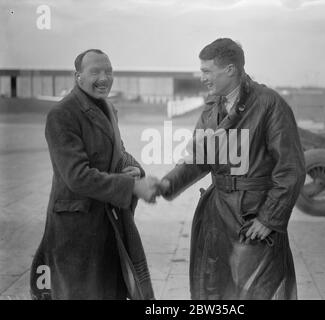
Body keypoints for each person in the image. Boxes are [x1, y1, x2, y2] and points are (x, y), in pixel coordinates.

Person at [158, 38, 306, 299]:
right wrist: (167, 183)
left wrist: (269, 218)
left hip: (253, 216)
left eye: (206, 71)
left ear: (230, 69)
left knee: (259, 291)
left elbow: (290, 169)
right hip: (217, 216)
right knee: (217, 292)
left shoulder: (270, 104)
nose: (202, 77)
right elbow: (200, 158)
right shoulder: (212, 107)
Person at [30, 49, 158, 300]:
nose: (104, 78)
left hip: (108, 225)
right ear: (77, 76)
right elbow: (77, 176)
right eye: (95, 72)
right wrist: (130, 187)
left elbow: (118, 151)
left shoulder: (109, 109)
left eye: (109, 72)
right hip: (76, 231)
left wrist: (134, 169)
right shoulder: (62, 114)